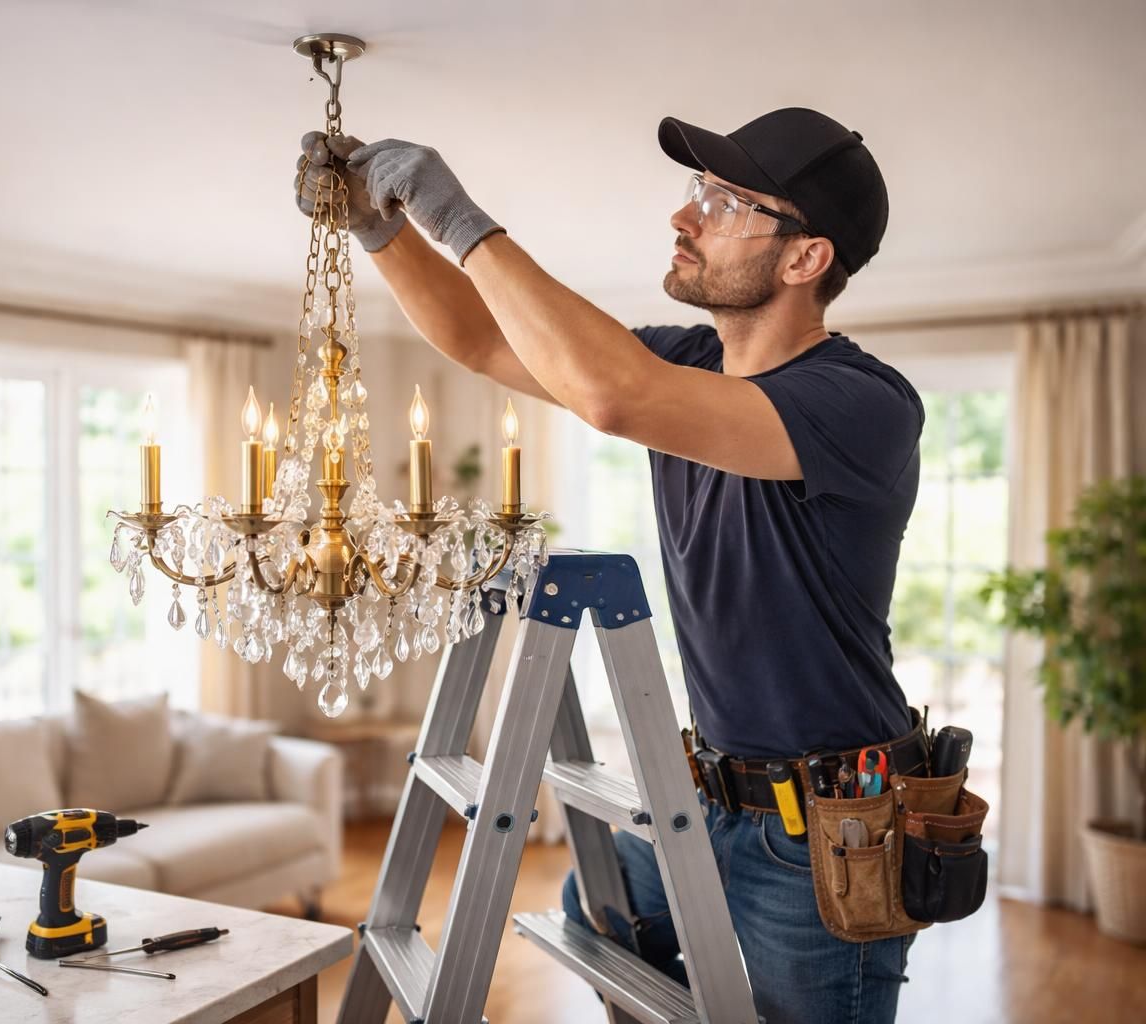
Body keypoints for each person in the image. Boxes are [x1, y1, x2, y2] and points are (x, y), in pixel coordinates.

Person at [298, 107, 925, 1024]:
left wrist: (460, 219)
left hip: (824, 829)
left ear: (805, 259)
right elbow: (483, 340)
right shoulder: (691, 363)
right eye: (697, 193)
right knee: (605, 926)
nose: (685, 217)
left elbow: (613, 396)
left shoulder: (861, 404)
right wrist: (382, 231)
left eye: (725, 202)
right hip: (702, 794)